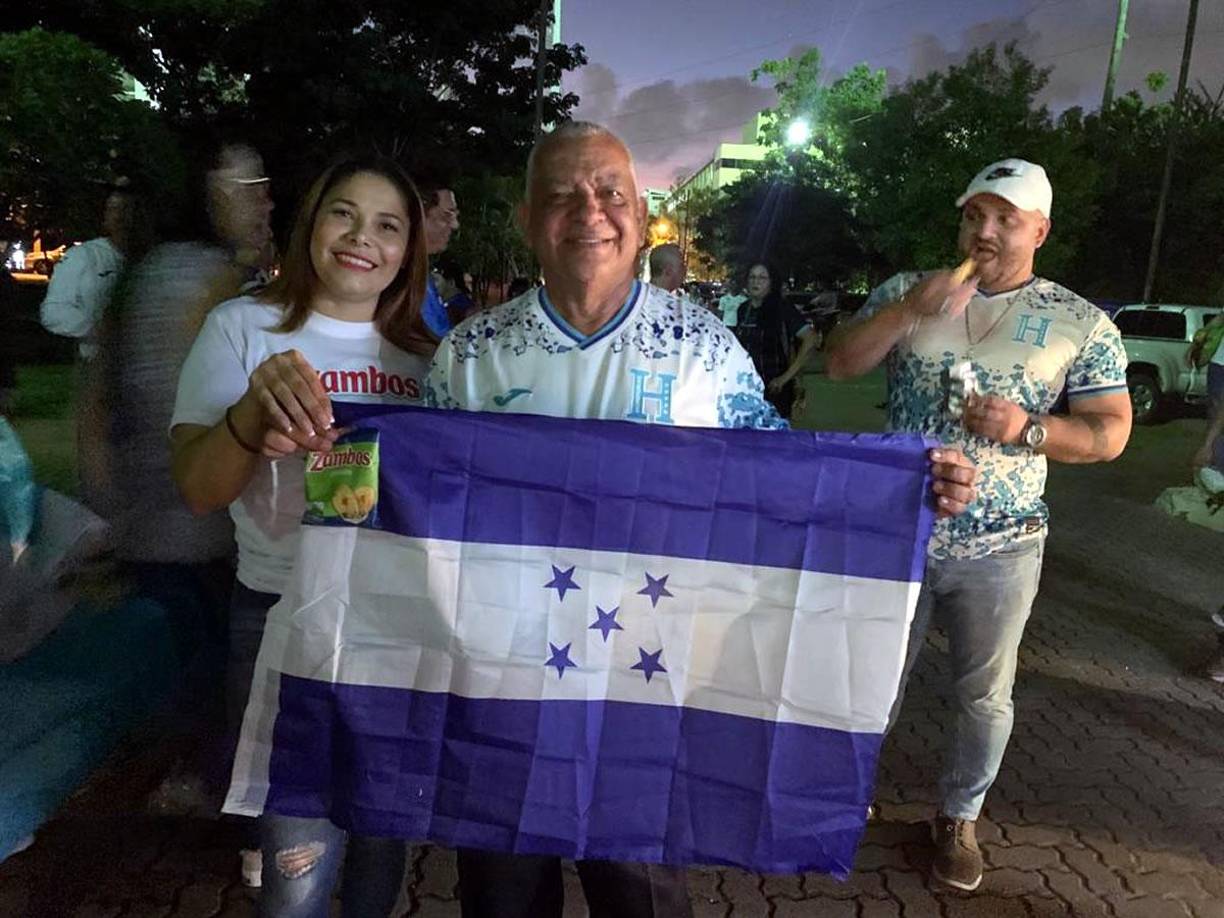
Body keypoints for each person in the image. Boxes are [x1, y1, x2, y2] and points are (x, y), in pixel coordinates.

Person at [427, 120, 978, 918]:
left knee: (641, 897)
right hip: (506, 679)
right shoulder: (471, 356)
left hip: (646, 679)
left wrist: (906, 487)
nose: (590, 212)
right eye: (561, 195)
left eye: (610, 192)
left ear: (639, 211)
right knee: (503, 896)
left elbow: (784, 477)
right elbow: (421, 504)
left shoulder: (701, 348)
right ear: (526, 220)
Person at [826, 157, 1132, 892]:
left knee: (983, 694)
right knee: (871, 675)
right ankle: (844, 796)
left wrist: (1030, 429)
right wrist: (911, 309)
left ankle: (959, 816)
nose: (985, 231)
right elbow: (839, 366)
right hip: (897, 533)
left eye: (1005, 219)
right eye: (974, 215)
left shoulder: (1079, 321)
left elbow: (1110, 432)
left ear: (1040, 231)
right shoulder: (910, 289)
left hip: (1003, 544)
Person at [170, 153, 435, 914]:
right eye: (343, 213)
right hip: (280, 622)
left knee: (380, 849)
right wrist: (252, 416)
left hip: (395, 634)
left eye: (388, 225)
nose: (362, 237)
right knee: (297, 872)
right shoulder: (242, 327)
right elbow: (197, 488)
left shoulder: (429, 359)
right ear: (311, 223)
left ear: (408, 251)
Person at [39, 185, 149, 360]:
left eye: (129, 209)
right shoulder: (83, 256)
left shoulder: (153, 259)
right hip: (100, 362)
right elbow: (53, 312)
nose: (122, 217)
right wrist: (98, 328)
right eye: (115, 209)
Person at [729, 261, 821, 421]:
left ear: (771, 283)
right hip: (745, 389)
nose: (756, 282)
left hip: (775, 390)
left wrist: (785, 378)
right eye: (752, 277)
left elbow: (810, 338)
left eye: (762, 278)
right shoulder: (743, 310)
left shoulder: (782, 309)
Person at [415, 170, 461, 338]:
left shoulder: (423, 275)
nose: (455, 225)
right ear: (418, 215)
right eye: (447, 215)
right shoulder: (398, 279)